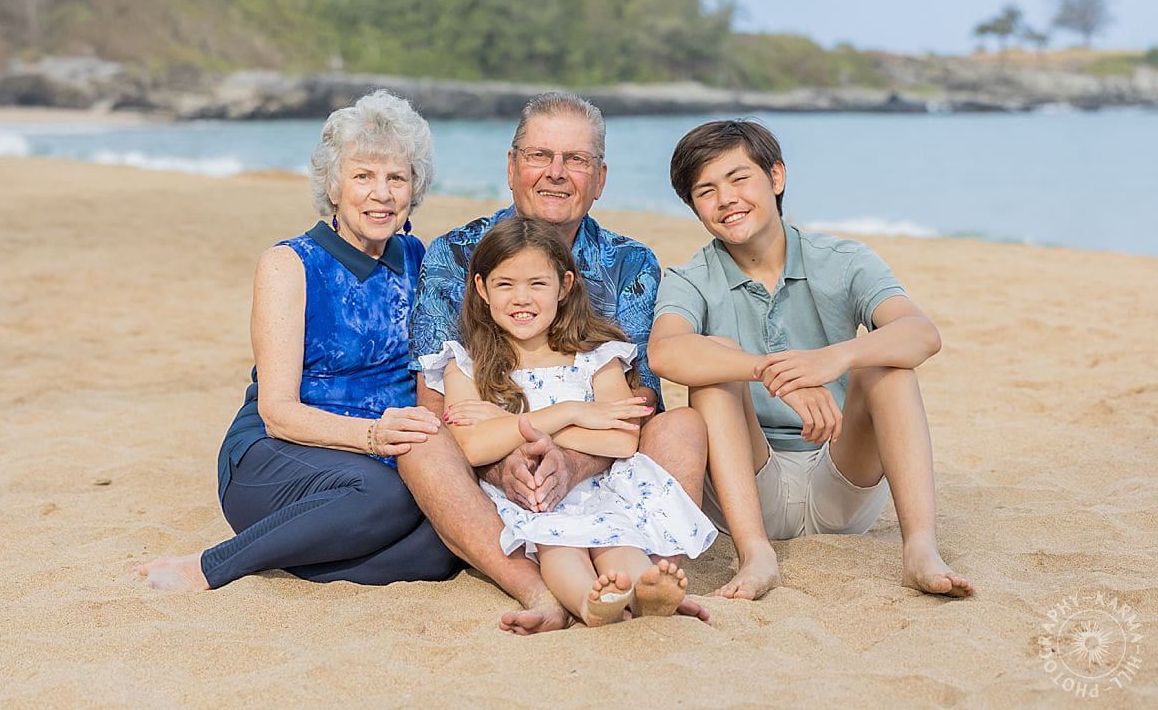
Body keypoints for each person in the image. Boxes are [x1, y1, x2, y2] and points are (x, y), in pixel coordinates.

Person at [400, 92, 710, 633]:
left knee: (683, 425)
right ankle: (537, 589)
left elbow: (640, 402)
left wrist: (566, 461)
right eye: (539, 156)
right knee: (420, 441)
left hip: (601, 463)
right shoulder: (456, 254)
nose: (556, 173)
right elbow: (440, 405)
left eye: (577, 159)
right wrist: (507, 465)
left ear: (600, 178)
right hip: (493, 461)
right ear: (512, 167)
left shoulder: (630, 262)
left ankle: (653, 579)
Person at [133, 90, 460, 591]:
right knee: (385, 496)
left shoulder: (420, 258)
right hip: (280, 454)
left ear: (414, 188)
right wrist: (373, 437)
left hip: (384, 459)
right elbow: (278, 412)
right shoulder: (290, 264)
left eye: (397, 178)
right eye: (363, 176)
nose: (382, 193)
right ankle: (212, 566)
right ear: (333, 185)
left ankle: (288, 562)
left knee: (441, 548)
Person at [648, 119, 974, 600]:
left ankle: (921, 549)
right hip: (746, 487)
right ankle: (755, 555)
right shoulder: (690, 278)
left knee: (886, 365)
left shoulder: (843, 259)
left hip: (841, 476)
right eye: (706, 191)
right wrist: (771, 371)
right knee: (714, 368)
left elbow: (921, 334)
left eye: (739, 179)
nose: (726, 199)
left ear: (776, 177)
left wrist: (834, 359)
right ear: (694, 207)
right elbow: (665, 350)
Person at [419, 217, 716, 626]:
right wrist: (572, 411)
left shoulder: (598, 356)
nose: (522, 298)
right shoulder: (464, 364)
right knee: (559, 546)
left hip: (603, 490)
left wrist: (507, 423)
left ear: (565, 285)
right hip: (533, 499)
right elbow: (472, 446)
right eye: (505, 284)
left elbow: (623, 440)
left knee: (621, 537)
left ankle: (643, 592)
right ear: (482, 289)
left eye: (537, 283)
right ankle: (589, 605)